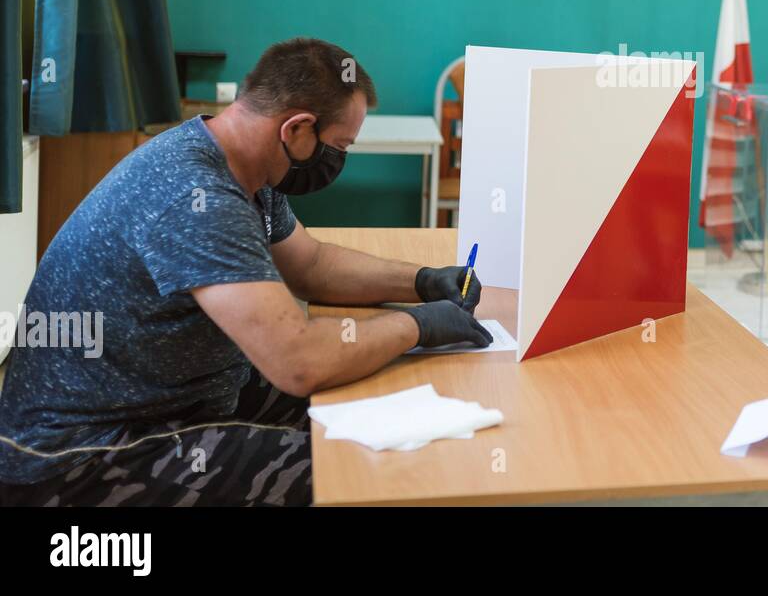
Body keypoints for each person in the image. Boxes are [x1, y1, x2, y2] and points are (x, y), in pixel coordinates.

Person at [0, 37, 491, 505]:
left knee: (374, 398)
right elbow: (297, 361)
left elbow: (312, 266)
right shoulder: (197, 197)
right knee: (359, 473)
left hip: (178, 392)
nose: (338, 159)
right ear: (296, 129)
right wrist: (416, 325)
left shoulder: (245, 165)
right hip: (78, 454)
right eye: (340, 146)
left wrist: (423, 281)